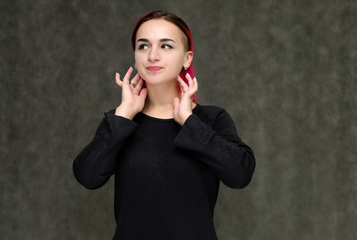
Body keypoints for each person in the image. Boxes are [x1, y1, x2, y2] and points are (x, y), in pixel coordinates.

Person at [73, 10, 255, 240]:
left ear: (187, 58)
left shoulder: (211, 119)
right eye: (143, 46)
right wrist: (122, 116)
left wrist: (189, 122)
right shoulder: (121, 121)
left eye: (166, 46)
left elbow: (240, 174)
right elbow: (86, 176)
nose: (152, 56)